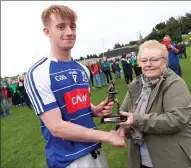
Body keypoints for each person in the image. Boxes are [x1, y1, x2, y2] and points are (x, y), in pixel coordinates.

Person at [24, 5, 125, 168]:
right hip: (69, 161)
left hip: (96, 152)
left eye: (72, 26)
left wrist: (93, 110)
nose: (70, 32)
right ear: (47, 32)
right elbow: (56, 127)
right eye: (61, 27)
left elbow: (76, 105)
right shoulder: (38, 73)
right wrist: (107, 136)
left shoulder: (82, 69)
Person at [117, 40, 191, 168]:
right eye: (144, 60)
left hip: (173, 158)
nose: (148, 64)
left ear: (165, 61)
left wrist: (136, 119)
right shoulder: (136, 85)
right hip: (140, 159)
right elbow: (124, 113)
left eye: (154, 59)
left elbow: (175, 119)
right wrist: (120, 126)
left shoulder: (175, 83)